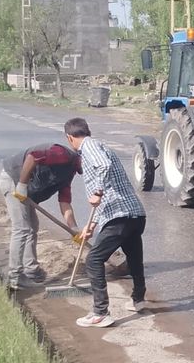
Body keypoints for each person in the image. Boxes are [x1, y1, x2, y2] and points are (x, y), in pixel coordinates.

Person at [63, 117, 147, 327]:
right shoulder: (98, 145)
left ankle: (100, 312)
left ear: (70, 138)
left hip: (119, 216)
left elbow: (104, 166)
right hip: (134, 214)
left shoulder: (88, 146)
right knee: (134, 257)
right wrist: (91, 225)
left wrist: (97, 191)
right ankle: (138, 299)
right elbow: (108, 191)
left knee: (93, 260)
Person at [0, 141, 82, 290]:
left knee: (32, 227)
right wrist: (22, 185)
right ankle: (15, 276)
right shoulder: (63, 154)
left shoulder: (69, 172)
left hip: (23, 186)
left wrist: (74, 227)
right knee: (22, 228)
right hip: (13, 179)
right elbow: (33, 156)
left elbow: (64, 202)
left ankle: (31, 270)